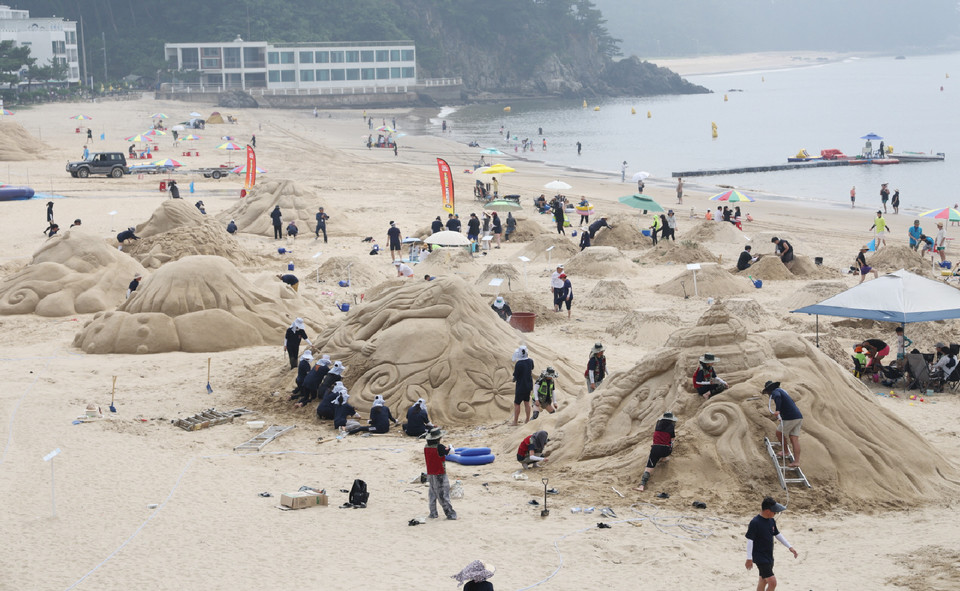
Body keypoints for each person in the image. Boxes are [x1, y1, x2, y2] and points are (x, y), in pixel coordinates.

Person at [745, 497, 798, 591]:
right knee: (772, 582)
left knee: (763, 580)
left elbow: (777, 534)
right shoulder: (755, 522)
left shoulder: (771, 521)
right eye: (775, 512)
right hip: (760, 557)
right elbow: (750, 540)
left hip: (769, 556)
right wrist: (749, 558)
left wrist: (790, 547)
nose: (775, 514)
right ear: (768, 511)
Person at [761, 381, 803, 468]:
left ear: (769, 390)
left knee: (779, 433)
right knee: (794, 438)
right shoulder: (782, 392)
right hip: (798, 416)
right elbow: (786, 406)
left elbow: (777, 397)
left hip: (791, 417)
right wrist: (782, 417)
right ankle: (796, 462)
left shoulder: (776, 392)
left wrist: (777, 410)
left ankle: (786, 451)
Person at [634, 412, 677, 492]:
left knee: (648, 468)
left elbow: (656, 437)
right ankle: (664, 458)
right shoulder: (671, 426)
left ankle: (642, 486)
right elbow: (672, 440)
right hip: (666, 450)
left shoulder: (658, 425)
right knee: (667, 452)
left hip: (655, 448)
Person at [424, 427, 458, 520]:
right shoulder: (439, 447)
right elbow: (451, 451)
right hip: (439, 474)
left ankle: (433, 513)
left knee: (432, 494)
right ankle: (450, 514)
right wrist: (450, 447)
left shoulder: (426, 447)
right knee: (443, 495)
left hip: (430, 473)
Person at [512, 345, 534, 425]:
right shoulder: (530, 361)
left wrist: (514, 379)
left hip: (521, 386)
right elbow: (532, 368)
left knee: (517, 403)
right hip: (528, 385)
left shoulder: (519, 364)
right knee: (527, 402)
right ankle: (527, 419)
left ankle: (515, 421)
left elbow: (516, 376)